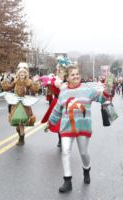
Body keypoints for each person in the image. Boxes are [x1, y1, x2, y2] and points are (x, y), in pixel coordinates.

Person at [48, 63, 111, 193]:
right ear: (68, 77)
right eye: (72, 74)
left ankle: (86, 169)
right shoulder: (63, 91)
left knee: (84, 153)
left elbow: (102, 97)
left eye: (77, 74)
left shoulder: (87, 89)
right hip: (67, 127)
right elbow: (57, 109)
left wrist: (107, 90)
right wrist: (50, 122)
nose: (76, 76)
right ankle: (67, 180)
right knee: (65, 151)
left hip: (83, 126)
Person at [1, 62, 40, 146]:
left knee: (21, 122)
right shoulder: (15, 81)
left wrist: (35, 82)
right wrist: (4, 80)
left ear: (26, 74)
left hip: (24, 105)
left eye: (23, 73)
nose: (21, 75)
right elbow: (7, 88)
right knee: (17, 124)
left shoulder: (28, 82)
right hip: (15, 104)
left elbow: (34, 90)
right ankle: (20, 135)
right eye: (20, 73)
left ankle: (21, 139)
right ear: (18, 74)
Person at [41, 56, 69, 149]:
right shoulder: (54, 80)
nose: (61, 72)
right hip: (58, 101)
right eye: (60, 70)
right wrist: (57, 83)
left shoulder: (69, 80)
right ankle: (61, 139)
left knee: (67, 122)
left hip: (68, 102)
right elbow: (53, 88)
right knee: (58, 122)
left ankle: (65, 138)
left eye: (63, 70)